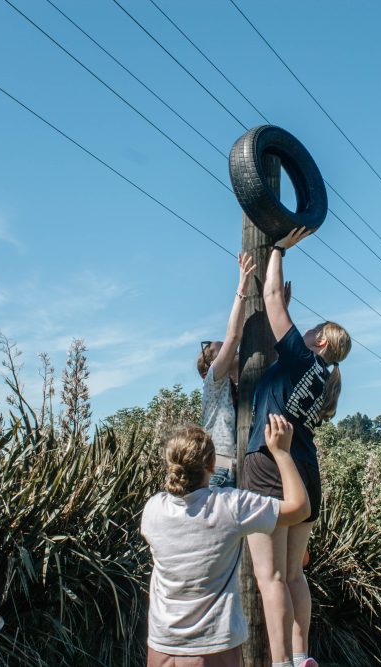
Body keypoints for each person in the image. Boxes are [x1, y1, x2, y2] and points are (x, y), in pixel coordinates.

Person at [241, 228, 352, 667]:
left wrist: (279, 249)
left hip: (270, 463)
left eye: (313, 329)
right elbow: (280, 329)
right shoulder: (322, 375)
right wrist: (283, 311)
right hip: (304, 471)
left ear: (321, 341)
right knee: (291, 574)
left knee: (269, 576)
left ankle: (281, 663)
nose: (306, 328)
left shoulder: (303, 359)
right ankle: (302, 657)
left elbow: (270, 297)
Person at [140, 416, 311, 666]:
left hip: (161, 646)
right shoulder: (230, 506)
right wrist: (282, 453)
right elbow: (300, 509)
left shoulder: (153, 509)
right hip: (214, 647)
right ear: (212, 465)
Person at [198, 253, 255, 488]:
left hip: (238, 471)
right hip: (219, 471)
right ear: (212, 364)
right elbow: (234, 336)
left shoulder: (237, 387)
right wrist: (242, 287)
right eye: (219, 349)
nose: (228, 348)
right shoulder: (214, 381)